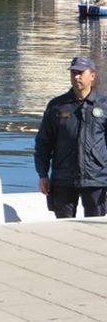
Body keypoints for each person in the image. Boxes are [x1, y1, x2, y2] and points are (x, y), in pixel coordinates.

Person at [34, 57, 107, 219]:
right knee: (64, 227)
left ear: (92, 76)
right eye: (73, 73)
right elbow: (43, 143)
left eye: (81, 73)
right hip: (63, 178)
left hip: (96, 179)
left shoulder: (103, 105)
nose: (76, 77)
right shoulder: (57, 106)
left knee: (96, 229)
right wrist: (43, 175)